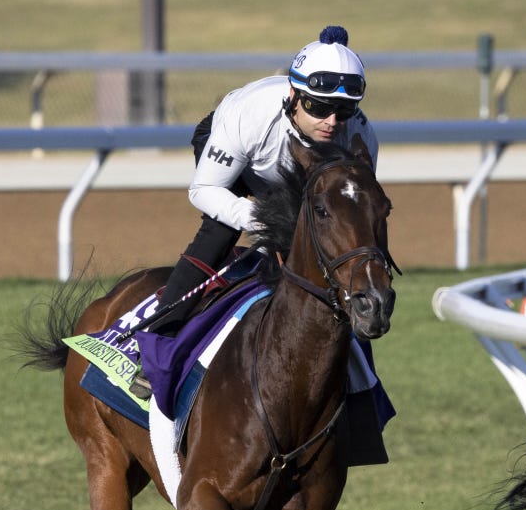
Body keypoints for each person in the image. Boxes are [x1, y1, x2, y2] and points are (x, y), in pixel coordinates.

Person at [144, 24, 379, 336]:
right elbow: (203, 189)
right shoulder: (250, 115)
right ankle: (160, 330)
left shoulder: (360, 137)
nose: (331, 122)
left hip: (296, 173)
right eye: (318, 107)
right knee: (220, 230)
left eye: (344, 110)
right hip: (238, 157)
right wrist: (261, 218)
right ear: (294, 95)